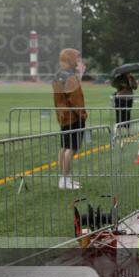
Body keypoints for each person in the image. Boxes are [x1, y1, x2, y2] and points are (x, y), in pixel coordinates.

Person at [52, 48, 87, 190]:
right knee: (71, 148)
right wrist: (82, 114)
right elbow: (75, 97)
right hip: (73, 116)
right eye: (76, 58)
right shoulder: (70, 76)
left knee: (64, 147)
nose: (78, 61)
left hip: (63, 115)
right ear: (70, 59)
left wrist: (80, 75)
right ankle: (65, 180)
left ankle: (64, 178)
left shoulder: (59, 74)